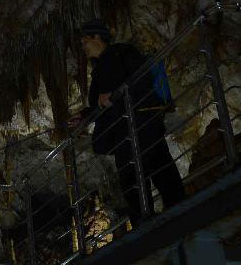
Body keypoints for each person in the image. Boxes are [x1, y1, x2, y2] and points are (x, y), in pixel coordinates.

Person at [69, 19, 185, 225]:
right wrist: (85, 115)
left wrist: (114, 95)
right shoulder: (99, 70)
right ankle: (178, 211)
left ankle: (147, 222)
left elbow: (141, 80)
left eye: (84, 41)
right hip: (128, 127)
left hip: (137, 123)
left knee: (135, 176)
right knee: (158, 167)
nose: (83, 47)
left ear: (97, 37)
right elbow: (102, 104)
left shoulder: (122, 53)